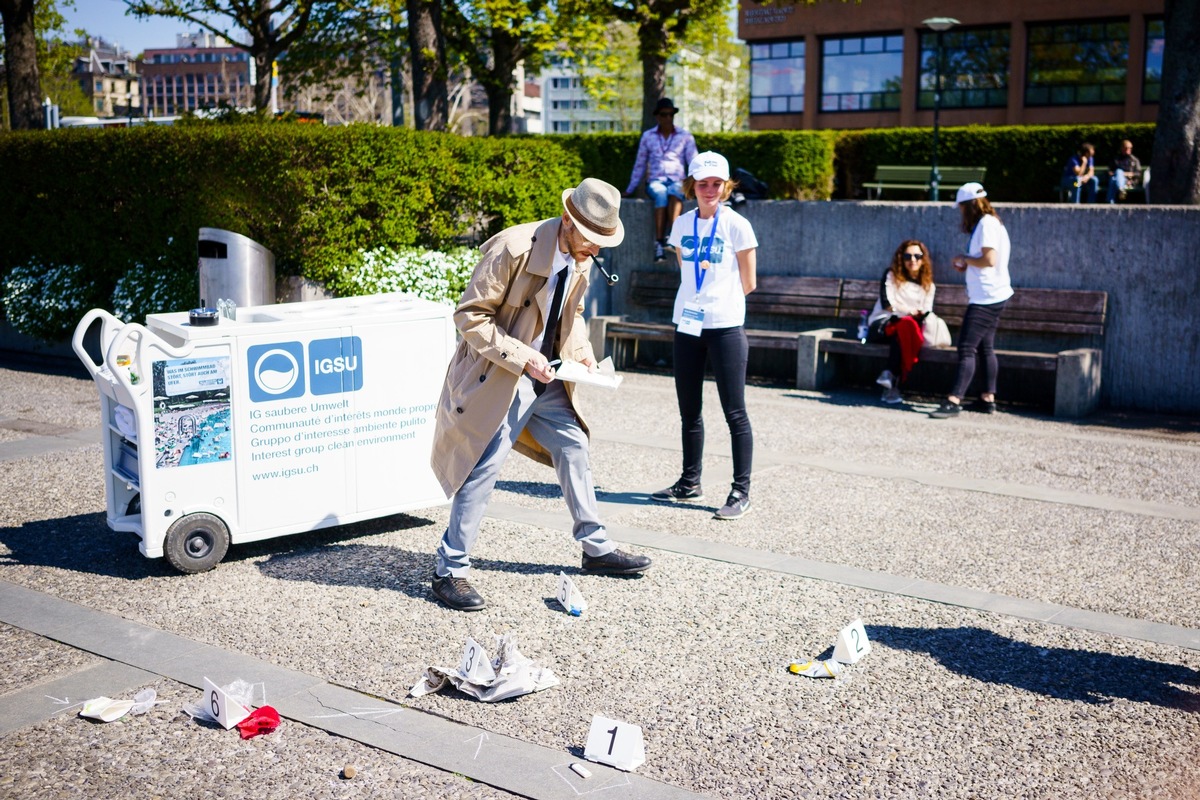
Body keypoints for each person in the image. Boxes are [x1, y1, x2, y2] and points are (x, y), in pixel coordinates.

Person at [429, 177, 652, 611]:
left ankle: (595, 548)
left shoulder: (583, 254)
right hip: (500, 375)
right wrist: (522, 356)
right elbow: (470, 316)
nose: (596, 249)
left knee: (574, 446)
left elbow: (575, 314)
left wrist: (584, 355)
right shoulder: (512, 248)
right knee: (482, 465)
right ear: (568, 221)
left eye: (602, 241)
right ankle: (449, 570)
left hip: (547, 377)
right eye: (590, 239)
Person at [651, 151, 758, 520]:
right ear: (692, 186)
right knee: (689, 411)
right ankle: (689, 481)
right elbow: (685, 269)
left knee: (735, 412)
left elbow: (749, 281)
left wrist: (720, 303)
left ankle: (740, 490)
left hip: (726, 326)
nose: (710, 190)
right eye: (702, 183)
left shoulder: (737, 225)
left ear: (726, 186)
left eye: (716, 183)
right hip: (688, 324)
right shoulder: (681, 224)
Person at [930, 182, 1013, 419]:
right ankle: (988, 398)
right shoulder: (991, 223)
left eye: (962, 207)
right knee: (985, 347)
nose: (960, 212)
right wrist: (967, 263)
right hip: (992, 293)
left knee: (966, 347)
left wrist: (965, 259)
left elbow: (989, 260)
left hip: (987, 297)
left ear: (970, 205)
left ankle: (953, 400)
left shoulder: (986, 224)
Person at [624, 97, 698, 262]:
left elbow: (694, 161)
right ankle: (659, 243)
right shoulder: (648, 136)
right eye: (664, 115)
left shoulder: (685, 136)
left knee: (675, 190)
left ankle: (672, 236)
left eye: (671, 114)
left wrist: (698, 185)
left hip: (677, 179)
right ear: (657, 116)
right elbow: (640, 164)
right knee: (660, 193)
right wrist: (630, 189)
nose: (667, 118)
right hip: (656, 180)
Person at [868, 240, 936, 405]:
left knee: (905, 330)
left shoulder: (928, 286)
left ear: (923, 259)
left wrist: (917, 314)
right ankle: (894, 382)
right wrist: (909, 312)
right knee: (905, 327)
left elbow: (927, 311)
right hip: (883, 325)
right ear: (901, 258)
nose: (912, 260)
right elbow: (887, 304)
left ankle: (889, 379)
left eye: (917, 256)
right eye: (907, 256)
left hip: (907, 330)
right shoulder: (891, 275)